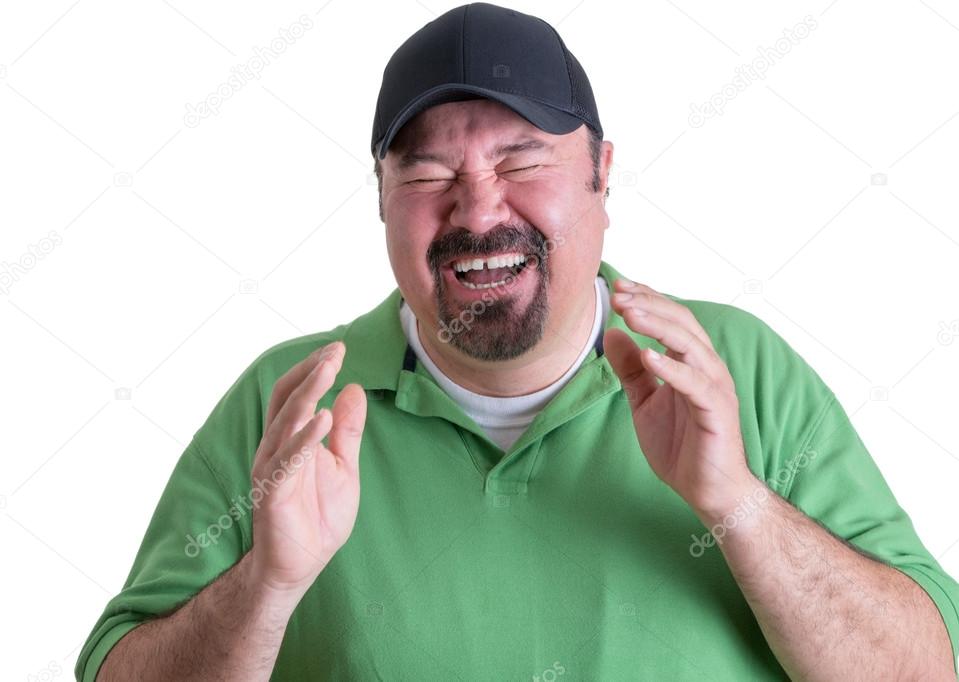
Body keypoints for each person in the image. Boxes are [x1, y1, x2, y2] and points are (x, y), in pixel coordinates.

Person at [77, 3, 959, 679]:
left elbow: (925, 667)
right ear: (381, 197)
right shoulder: (295, 399)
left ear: (600, 173)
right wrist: (266, 585)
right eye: (426, 172)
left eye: (522, 160)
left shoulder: (730, 369)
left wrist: (735, 502)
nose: (478, 209)